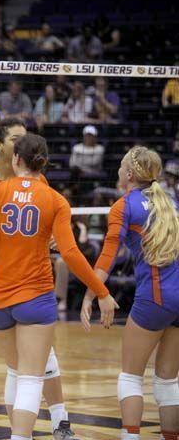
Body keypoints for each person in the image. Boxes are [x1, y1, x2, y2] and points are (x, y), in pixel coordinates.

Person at [0, 133, 117, 440]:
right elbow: (71, 254)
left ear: (15, 160)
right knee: (32, 379)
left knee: (15, 372)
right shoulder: (55, 200)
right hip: (35, 297)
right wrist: (102, 293)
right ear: (43, 163)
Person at [0, 120, 79, 439]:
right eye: (16, 137)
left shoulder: (37, 179)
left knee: (41, 355)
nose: (22, 141)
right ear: (2, 145)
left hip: (25, 274)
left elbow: (45, 221)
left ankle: (60, 418)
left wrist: (52, 237)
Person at [80, 146, 179, 440]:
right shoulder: (171, 203)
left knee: (130, 377)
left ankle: (131, 436)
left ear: (130, 174)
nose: (119, 172)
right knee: (167, 382)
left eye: (122, 168)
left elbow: (107, 257)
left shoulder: (125, 205)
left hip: (155, 299)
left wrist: (91, 294)